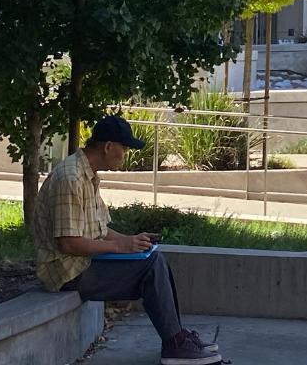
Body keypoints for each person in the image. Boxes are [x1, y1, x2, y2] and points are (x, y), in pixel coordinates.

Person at [32, 115, 226, 365]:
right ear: (108, 146)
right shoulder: (70, 179)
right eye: (124, 148)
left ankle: (177, 336)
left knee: (154, 256)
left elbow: (99, 229)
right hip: (66, 273)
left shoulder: (86, 175)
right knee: (151, 268)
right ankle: (175, 344)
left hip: (81, 264)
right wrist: (119, 246)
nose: (125, 154)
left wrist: (132, 241)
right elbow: (67, 243)